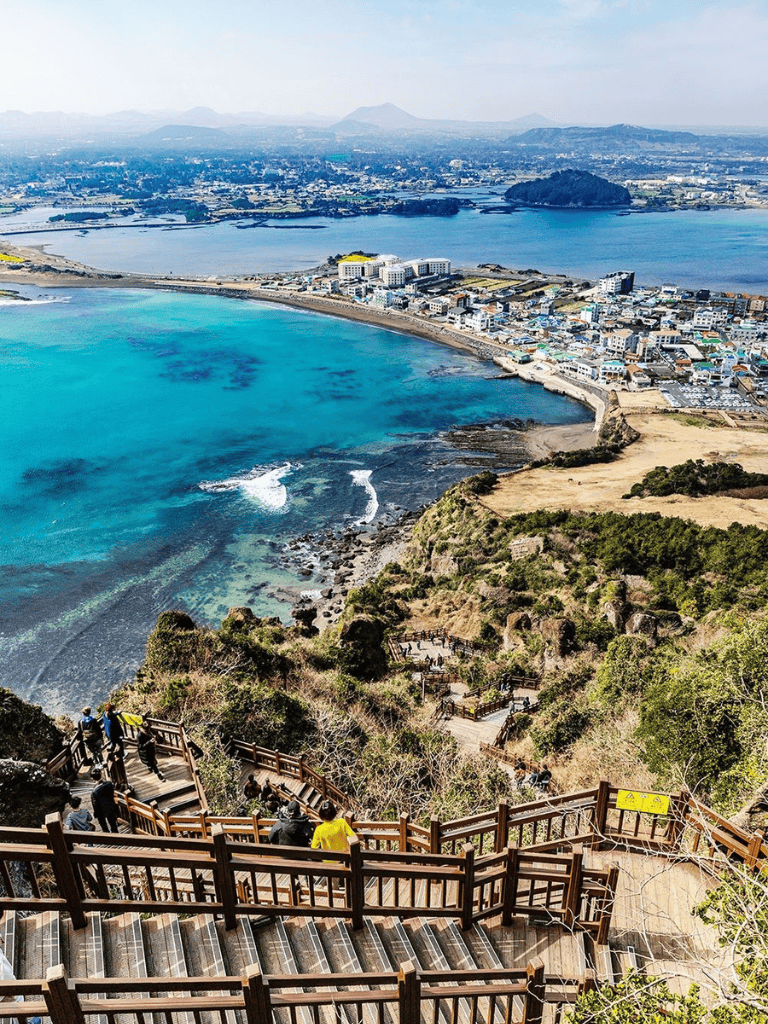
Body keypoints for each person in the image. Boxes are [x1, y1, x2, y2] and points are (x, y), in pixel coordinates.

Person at [90, 768, 120, 833]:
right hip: (110, 806)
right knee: (113, 825)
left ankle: (107, 837)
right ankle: (117, 836)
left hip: (101, 810)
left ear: (93, 778)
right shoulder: (109, 784)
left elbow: (95, 804)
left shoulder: (94, 791)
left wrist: (96, 813)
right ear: (101, 775)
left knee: (104, 826)